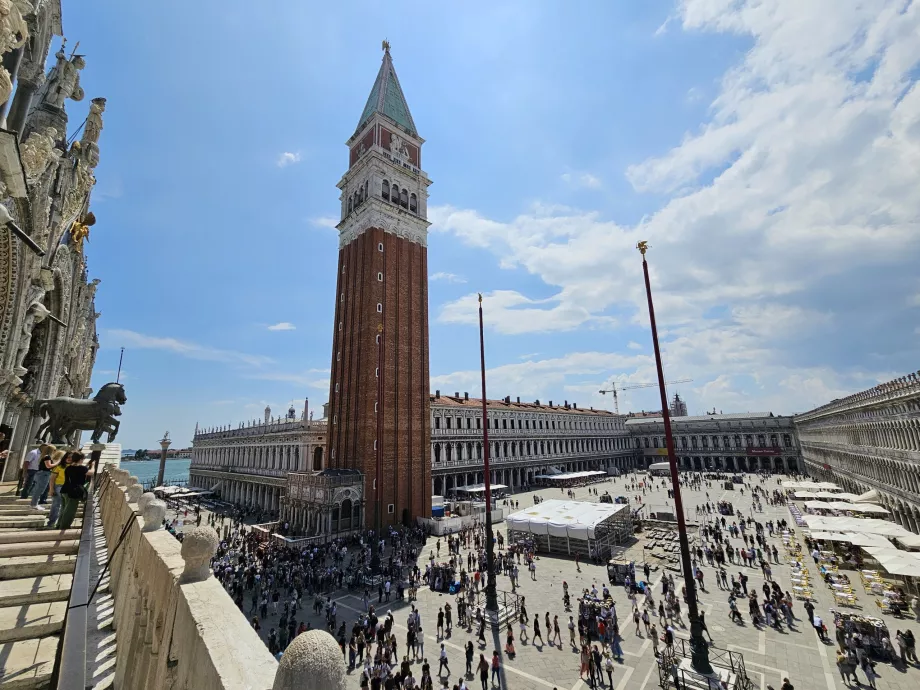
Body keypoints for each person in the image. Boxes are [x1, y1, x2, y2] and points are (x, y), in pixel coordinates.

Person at [56, 451, 91, 529]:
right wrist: (93, 466)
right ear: (80, 459)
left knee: (63, 509)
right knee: (70, 511)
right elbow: (91, 473)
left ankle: (58, 525)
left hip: (64, 490)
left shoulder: (68, 468)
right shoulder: (82, 468)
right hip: (72, 493)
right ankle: (64, 527)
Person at [46, 451, 69, 527]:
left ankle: (61, 522)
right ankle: (51, 523)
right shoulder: (58, 466)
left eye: (71, 457)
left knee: (65, 506)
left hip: (68, 487)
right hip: (58, 486)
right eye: (67, 457)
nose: (69, 459)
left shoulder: (74, 467)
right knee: (56, 504)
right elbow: (52, 478)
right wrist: (51, 489)